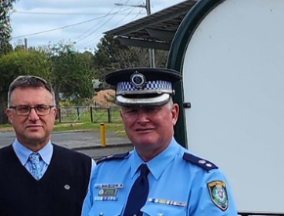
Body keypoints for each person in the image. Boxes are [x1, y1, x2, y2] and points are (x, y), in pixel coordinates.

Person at [82, 68, 238, 216]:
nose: (142, 119)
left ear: (174, 114)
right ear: (123, 117)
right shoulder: (103, 173)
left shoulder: (202, 179)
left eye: (152, 109)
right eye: (132, 111)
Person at [0, 75, 93, 216]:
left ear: (54, 113)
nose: (33, 116)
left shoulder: (85, 168)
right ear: (10, 115)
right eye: (23, 109)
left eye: (41, 108)